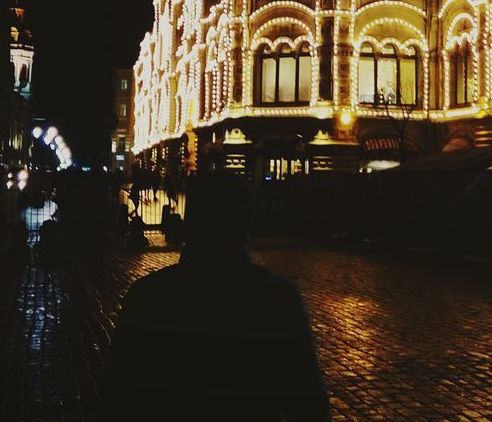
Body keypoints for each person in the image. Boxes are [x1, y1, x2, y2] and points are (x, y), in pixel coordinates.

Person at [98, 171, 329, 421]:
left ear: (189, 221)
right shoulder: (278, 299)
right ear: (249, 223)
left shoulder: (147, 296)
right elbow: (308, 402)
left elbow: (117, 397)